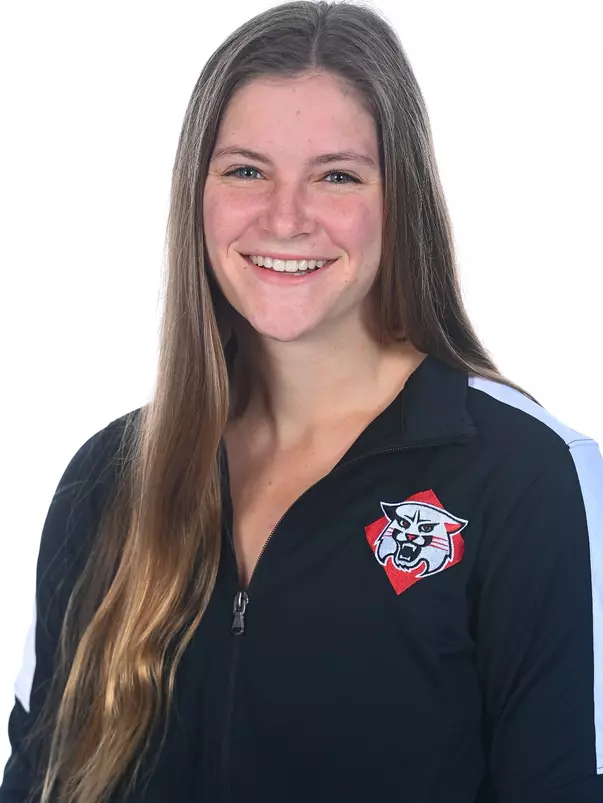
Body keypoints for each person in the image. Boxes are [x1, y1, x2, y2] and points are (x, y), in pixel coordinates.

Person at [2, 1, 602, 801]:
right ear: (197, 194)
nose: (285, 218)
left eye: (337, 175)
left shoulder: (529, 479)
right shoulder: (108, 481)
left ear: (401, 200)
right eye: (246, 170)